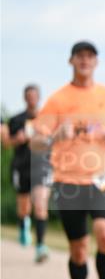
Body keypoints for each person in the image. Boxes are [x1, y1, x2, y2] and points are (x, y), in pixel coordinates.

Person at [30, 41, 105, 279]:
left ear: (96, 62)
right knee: (79, 249)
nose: (85, 61)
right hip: (69, 180)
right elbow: (35, 142)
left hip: (103, 176)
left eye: (90, 57)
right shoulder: (58, 100)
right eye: (80, 56)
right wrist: (55, 136)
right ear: (71, 61)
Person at [1, 84, 53, 262]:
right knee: (24, 206)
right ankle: (23, 224)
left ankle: (40, 246)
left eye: (34, 96)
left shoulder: (47, 119)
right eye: (28, 96)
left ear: (38, 97)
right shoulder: (16, 120)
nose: (32, 99)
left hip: (42, 165)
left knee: (40, 205)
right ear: (25, 98)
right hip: (21, 165)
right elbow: (6, 142)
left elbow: (55, 140)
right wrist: (18, 138)